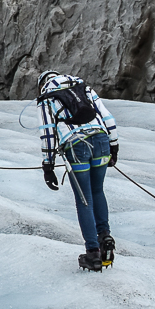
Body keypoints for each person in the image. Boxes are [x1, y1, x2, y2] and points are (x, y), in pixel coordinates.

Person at [35, 70, 120, 272]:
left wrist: (48, 165)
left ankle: (93, 253)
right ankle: (104, 236)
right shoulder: (83, 88)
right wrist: (114, 146)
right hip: (101, 141)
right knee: (97, 191)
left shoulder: (46, 98)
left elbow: (47, 132)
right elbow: (107, 116)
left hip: (76, 146)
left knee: (84, 200)